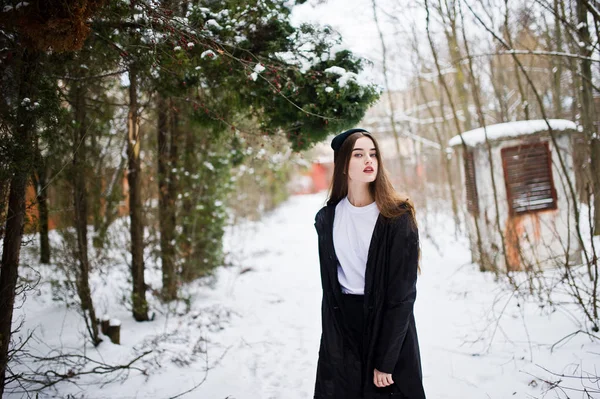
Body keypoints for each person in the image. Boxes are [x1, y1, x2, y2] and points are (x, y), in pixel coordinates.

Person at [313, 128, 425, 399]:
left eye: (373, 154)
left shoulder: (397, 218)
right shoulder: (327, 218)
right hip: (342, 330)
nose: (369, 161)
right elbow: (329, 290)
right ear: (342, 165)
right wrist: (331, 345)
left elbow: (402, 296)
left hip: (386, 327)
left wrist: (386, 360)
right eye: (359, 154)